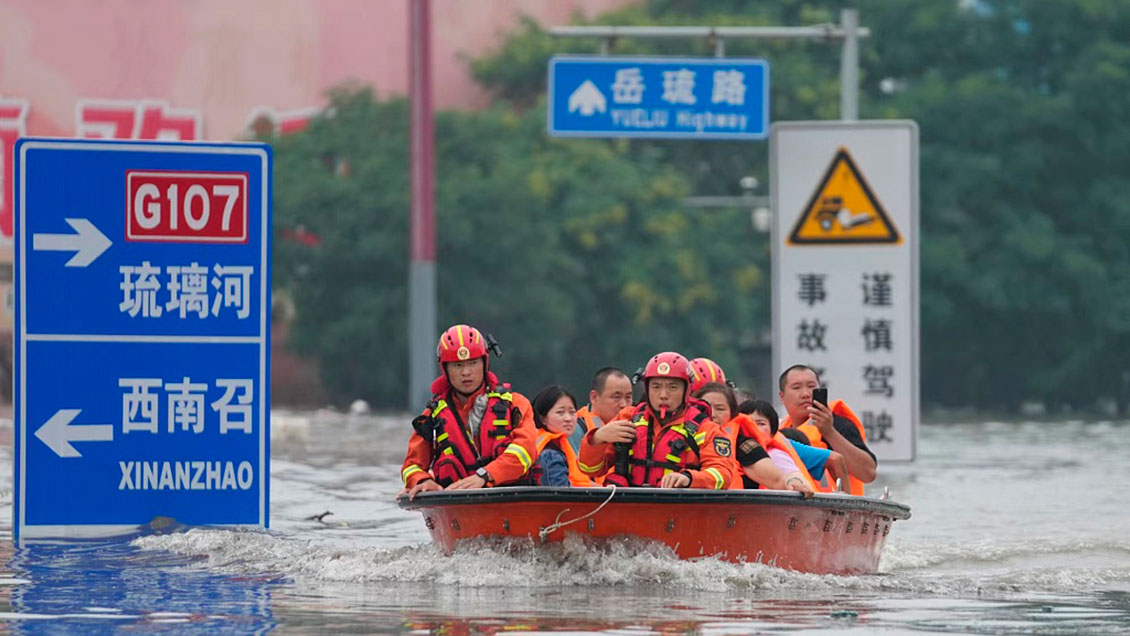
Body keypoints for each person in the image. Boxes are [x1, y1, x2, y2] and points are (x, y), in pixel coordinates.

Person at [400, 324, 538, 499]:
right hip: (455, 501)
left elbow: (526, 450)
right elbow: (411, 466)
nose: (466, 372)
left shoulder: (515, 405)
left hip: (512, 497)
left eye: (472, 363)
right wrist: (422, 481)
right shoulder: (431, 417)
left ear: (484, 363)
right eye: (457, 365)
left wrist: (486, 475)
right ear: (445, 369)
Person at [578, 351, 732, 490]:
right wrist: (597, 438)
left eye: (673, 387)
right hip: (630, 506)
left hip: (679, 507)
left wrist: (690, 479)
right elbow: (589, 469)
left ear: (686, 390)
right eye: (656, 387)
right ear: (647, 388)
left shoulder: (705, 428)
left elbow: (722, 475)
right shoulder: (628, 418)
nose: (663, 395)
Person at [777, 364, 877, 495]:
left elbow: (868, 473)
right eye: (796, 388)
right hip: (791, 502)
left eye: (811, 387)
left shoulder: (839, 424)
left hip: (832, 504)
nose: (806, 394)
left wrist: (829, 431)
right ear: (782, 397)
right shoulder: (779, 431)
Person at [737, 400, 848, 496]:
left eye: (761, 423)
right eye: (747, 423)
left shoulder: (778, 450)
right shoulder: (730, 443)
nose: (753, 428)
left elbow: (834, 459)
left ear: (772, 432)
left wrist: (846, 506)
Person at [530, 385, 596, 487]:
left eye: (572, 412)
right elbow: (561, 493)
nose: (568, 418)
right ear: (543, 419)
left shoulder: (559, 447)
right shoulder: (550, 454)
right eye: (560, 413)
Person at [569, 367, 633, 453]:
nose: (624, 405)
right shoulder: (575, 429)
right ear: (594, 397)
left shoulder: (637, 426)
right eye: (617, 397)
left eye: (628, 397)